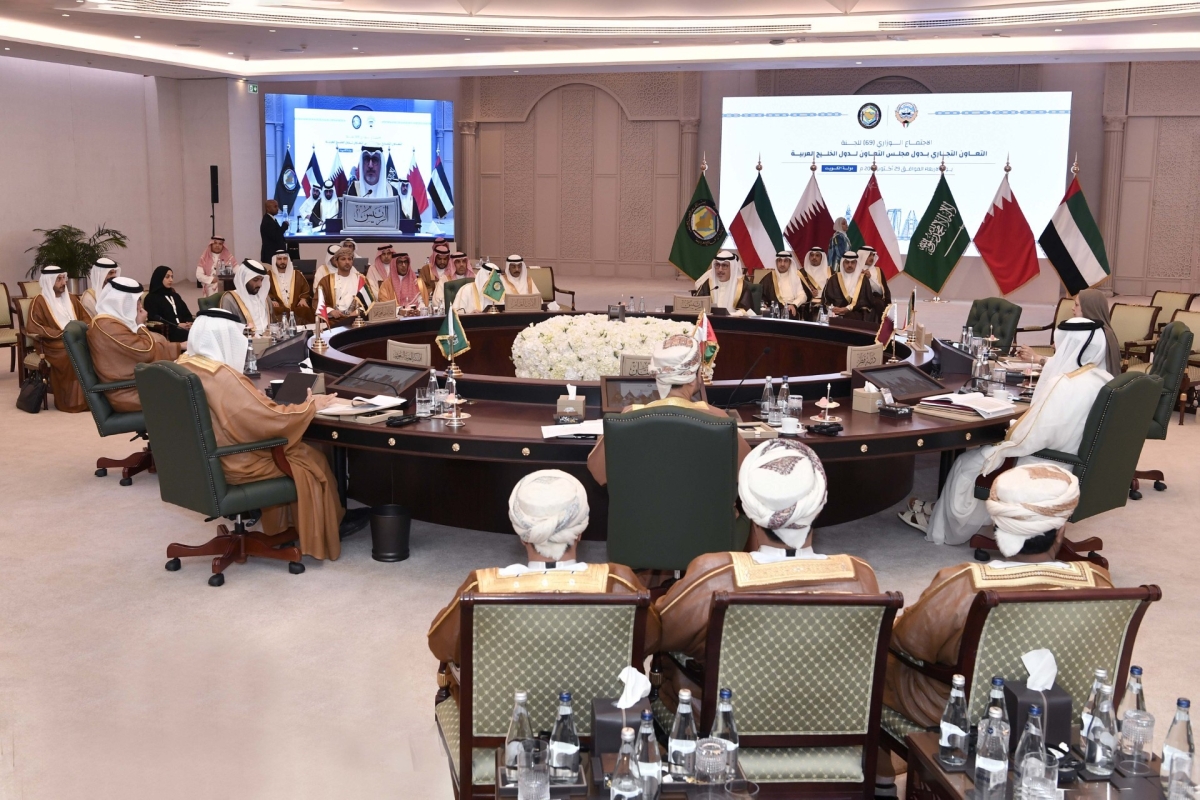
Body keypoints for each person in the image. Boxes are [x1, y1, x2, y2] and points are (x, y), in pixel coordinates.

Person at [653, 439, 880, 706]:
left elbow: (655, 633)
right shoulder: (861, 577)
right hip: (832, 724)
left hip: (721, 725)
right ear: (820, 504)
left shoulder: (713, 577)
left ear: (748, 508)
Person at [884, 463, 1113, 727]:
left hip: (955, 712)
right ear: (1060, 531)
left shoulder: (963, 584)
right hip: (1064, 709)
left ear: (996, 525)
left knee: (872, 655)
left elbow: (903, 642)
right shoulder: (1098, 583)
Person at [900, 319, 1114, 545]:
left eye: (1058, 342)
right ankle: (941, 510)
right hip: (1076, 463)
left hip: (1044, 463)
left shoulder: (1063, 384)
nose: (1054, 346)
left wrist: (1008, 432)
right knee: (985, 454)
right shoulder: (1103, 378)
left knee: (968, 462)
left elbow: (1031, 437)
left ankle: (943, 528)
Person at [178, 310, 363, 560]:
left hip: (197, 462)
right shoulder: (221, 377)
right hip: (234, 464)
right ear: (225, 338)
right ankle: (331, 526)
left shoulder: (183, 365)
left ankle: (291, 525)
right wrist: (310, 406)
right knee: (311, 457)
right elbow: (270, 419)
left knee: (300, 449)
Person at [427, 469, 656, 668]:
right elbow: (653, 638)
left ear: (522, 535)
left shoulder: (482, 587)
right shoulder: (619, 581)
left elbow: (440, 645)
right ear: (580, 531)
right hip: (604, 706)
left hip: (505, 704)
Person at [587, 334, 751, 485]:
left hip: (643, 509)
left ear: (657, 377)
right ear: (693, 378)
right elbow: (747, 470)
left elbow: (597, 470)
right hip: (709, 509)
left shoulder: (629, 417)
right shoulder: (718, 419)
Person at [87, 276, 182, 412]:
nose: (140, 307)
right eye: (137, 301)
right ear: (124, 302)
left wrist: (179, 346)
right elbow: (146, 351)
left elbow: (140, 347)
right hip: (129, 392)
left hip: (138, 383)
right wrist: (141, 324)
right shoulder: (107, 326)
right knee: (191, 386)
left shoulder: (112, 321)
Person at [27, 265, 91, 412]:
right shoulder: (39, 301)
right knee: (72, 353)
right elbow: (34, 327)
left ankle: (92, 396)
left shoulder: (72, 299)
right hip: (52, 343)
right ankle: (72, 401)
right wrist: (63, 334)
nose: (63, 282)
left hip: (76, 339)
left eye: (64, 278)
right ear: (49, 281)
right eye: (59, 279)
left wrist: (82, 330)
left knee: (95, 347)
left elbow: (86, 319)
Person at [1016, 289, 1121, 377]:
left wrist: (1037, 358)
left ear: (1088, 309)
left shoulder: (1090, 336)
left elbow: (1070, 371)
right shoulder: (1104, 332)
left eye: (1076, 305)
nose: (1072, 308)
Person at [821, 250, 891, 324]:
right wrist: (833, 309)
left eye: (853, 262)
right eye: (847, 262)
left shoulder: (863, 279)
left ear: (856, 264)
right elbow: (826, 299)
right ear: (842, 263)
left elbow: (865, 300)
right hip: (836, 313)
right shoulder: (833, 279)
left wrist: (847, 308)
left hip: (857, 313)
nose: (850, 265)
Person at [692, 250, 756, 315]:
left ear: (732, 268)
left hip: (733, 320)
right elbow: (697, 304)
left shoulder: (741, 286)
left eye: (724, 265)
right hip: (711, 320)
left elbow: (747, 310)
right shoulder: (709, 284)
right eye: (717, 265)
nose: (720, 270)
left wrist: (732, 315)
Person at [315, 246, 366, 325]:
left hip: (356, 320)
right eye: (343, 259)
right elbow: (317, 301)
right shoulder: (326, 281)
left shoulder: (361, 279)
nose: (347, 262)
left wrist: (357, 311)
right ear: (336, 262)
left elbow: (368, 303)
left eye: (349, 259)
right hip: (334, 321)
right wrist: (330, 311)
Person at [220, 259, 273, 335]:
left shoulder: (265, 298)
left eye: (261, 280)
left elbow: (274, 324)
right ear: (244, 279)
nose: (260, 284)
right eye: (255, 280)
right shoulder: (230, 299)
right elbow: (228, 331)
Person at [143, 265, 195, 343]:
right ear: (159, 278)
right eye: (167, 277)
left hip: (184, 329)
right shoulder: (151, 298)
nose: (171, 280)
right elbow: (154, 318)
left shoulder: (175, 296)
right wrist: (177, 325)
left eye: (172, 277)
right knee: (194, 336)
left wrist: (188, 323)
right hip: (168, 332)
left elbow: (186, 313)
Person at [266, 250, 313, 325]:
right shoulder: (268, 275)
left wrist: (303, 299)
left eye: (285, 259)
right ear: (275, 260)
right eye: (279, 259)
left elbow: (305, 290)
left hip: (295, 305)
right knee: (274, 310)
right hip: (278, 305)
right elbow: (265, 291)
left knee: (304, 309)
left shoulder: (297, 274)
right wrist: (272, 300)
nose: (282, 261)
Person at [761, 250, 811, 319]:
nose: (782, 264)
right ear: (776, 262)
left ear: (790, 262)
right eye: (780, 261)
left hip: (790, 308)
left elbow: (803, 295)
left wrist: (794, 305)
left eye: (785, 261)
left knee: (789, 313)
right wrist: (763, 304)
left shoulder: (796, 277)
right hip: (773, 309)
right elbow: (761, 295)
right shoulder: (769, 278)